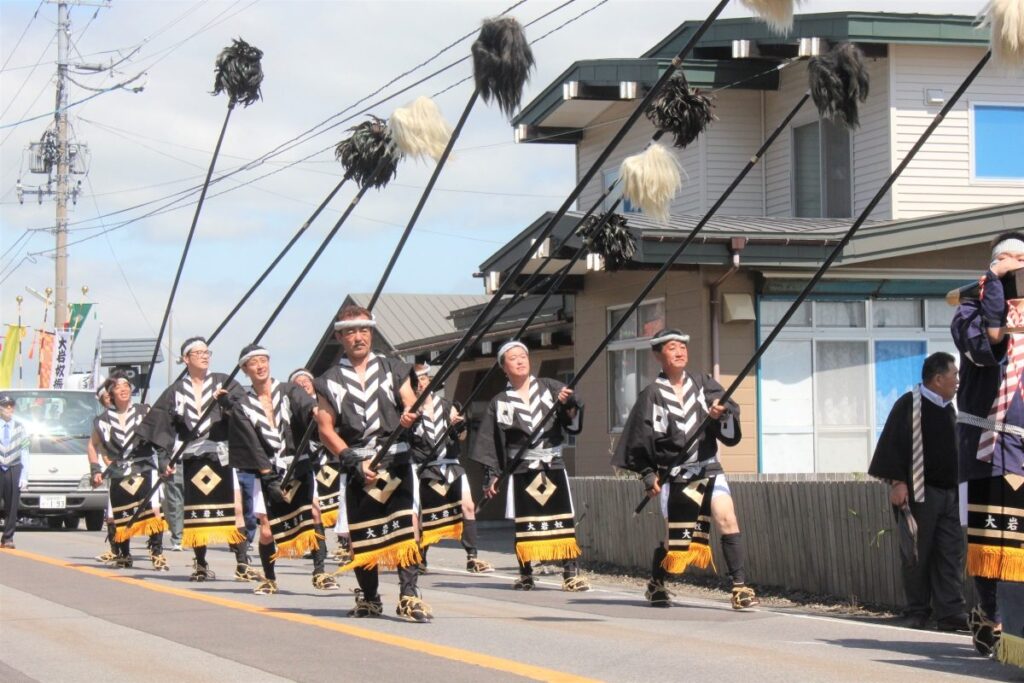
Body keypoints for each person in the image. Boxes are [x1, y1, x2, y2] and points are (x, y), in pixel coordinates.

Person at [612, 329, 756, 610]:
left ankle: (739, 586)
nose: (679, 352)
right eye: (672, 348)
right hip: (676, 475)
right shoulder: (651, 395)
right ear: (658, 355)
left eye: (682, 347)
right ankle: (657, 582)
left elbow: (727, 410)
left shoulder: (702, 383)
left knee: (727, 518)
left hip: (709, 467)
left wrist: (720, 413)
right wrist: (648, 475)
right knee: (676, 541)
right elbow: (637, 441)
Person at [314, 305, 429, 622]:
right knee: (362, 534)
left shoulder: (394, 368)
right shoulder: (329, 380)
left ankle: (408, 596)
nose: (358, 337)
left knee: (406, 528)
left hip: (396, 459)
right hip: (358, 462)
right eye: (350, 331)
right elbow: (326, 429)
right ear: (339, 336)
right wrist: (351, 459)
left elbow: (409, 402)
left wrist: (410, 415)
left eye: (363, 330)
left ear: (372, 333)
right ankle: (368, 597)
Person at [952, 232, 1024, 659]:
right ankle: (992, 613)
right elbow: (987, 345)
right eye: (1015, 260)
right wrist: (992, 286)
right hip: (993, 443)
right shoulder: (969, 312)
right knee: (999, 544)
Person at [471, 341, 590, 592]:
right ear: (504, 367)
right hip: (522, 468)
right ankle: (526, 572)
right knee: (525, 523)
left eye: (523, 356)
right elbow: (490, 441)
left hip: (552, 464)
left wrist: (568, 402)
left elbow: (573, 407)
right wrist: (491, 476)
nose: (520, 360)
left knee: (562, 519)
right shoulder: (500, 401)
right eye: (513, 358)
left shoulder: (549, 387)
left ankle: (570, 572)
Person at [224, 345, 335, 594]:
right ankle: (270, 577)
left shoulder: (288, 390)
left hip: (298, 461)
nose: (260, 366)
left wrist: (316, 412)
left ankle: (320, 572)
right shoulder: (243, 402)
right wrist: (266, 474)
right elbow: (249, 441)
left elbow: (305, 406)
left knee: (314, 514)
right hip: (266, 468)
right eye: (254, 362)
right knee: (266, 527)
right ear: (245, 369)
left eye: (263, 360)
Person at [868, 352, 966, 631]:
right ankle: (917, 610)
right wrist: (897, 483)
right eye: (954, 375)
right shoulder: (909, 404)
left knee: (950, 552)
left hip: (949, 493)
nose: (957, 380)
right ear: (937, 379)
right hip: (920, 492)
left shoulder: (949, 408)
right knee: (916, 553)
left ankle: (950, 613)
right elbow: (891, 445)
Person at [139, 337, 245, 581]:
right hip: (192, 454)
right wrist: (164, 460)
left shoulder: (224, 382)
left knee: (236, 507)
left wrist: (226, 402)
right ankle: (200, 563)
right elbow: (161, 426)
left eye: (207, 352)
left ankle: (242, 562)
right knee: (195, 510)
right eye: (198, 353)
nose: (204, 356)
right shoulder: (175, 391)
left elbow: (244, 409)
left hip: (222, 453)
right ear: (186, 359)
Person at [409, 363, 493, 574]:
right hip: (425, 469)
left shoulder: (448, 406)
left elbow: (462, 437)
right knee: (425, 514)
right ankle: (421, 557)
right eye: (416, 381)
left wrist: (459, 426)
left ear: (430, 380)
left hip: (451, 465)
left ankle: (472, 557)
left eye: (423, 379)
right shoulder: (410, 412)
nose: (420, 384)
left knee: (468, 506)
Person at [87, 372, 169, 570]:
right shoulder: (103, 420)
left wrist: (163, 462)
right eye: (117, 386)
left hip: (143, 467)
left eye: (126, 385)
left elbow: (159, 437)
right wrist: (95, 470)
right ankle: (124, 554)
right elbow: (92, 445)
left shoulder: (144, 411)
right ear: (111, 393)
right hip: (118, 470)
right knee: (121, 513)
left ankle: (156, 553)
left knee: (152, 511)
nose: (123, 389)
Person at [291, 367, 349, 564]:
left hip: (332, 458)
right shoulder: (295, 407)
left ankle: (345, 544)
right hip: (310, 459)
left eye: (306, 380)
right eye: (298, 383)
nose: (303, 384)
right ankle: (318, 548)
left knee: (342, 503)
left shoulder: (327, 400)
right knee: (314, 507)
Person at [0, 394, 30, 550]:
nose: (8, 409)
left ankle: (8, 537)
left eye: (11, 406)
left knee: (12, 505)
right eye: (5, 406)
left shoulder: (20, 427)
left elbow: (25, 450)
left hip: (14, 466)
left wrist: (25, 475)